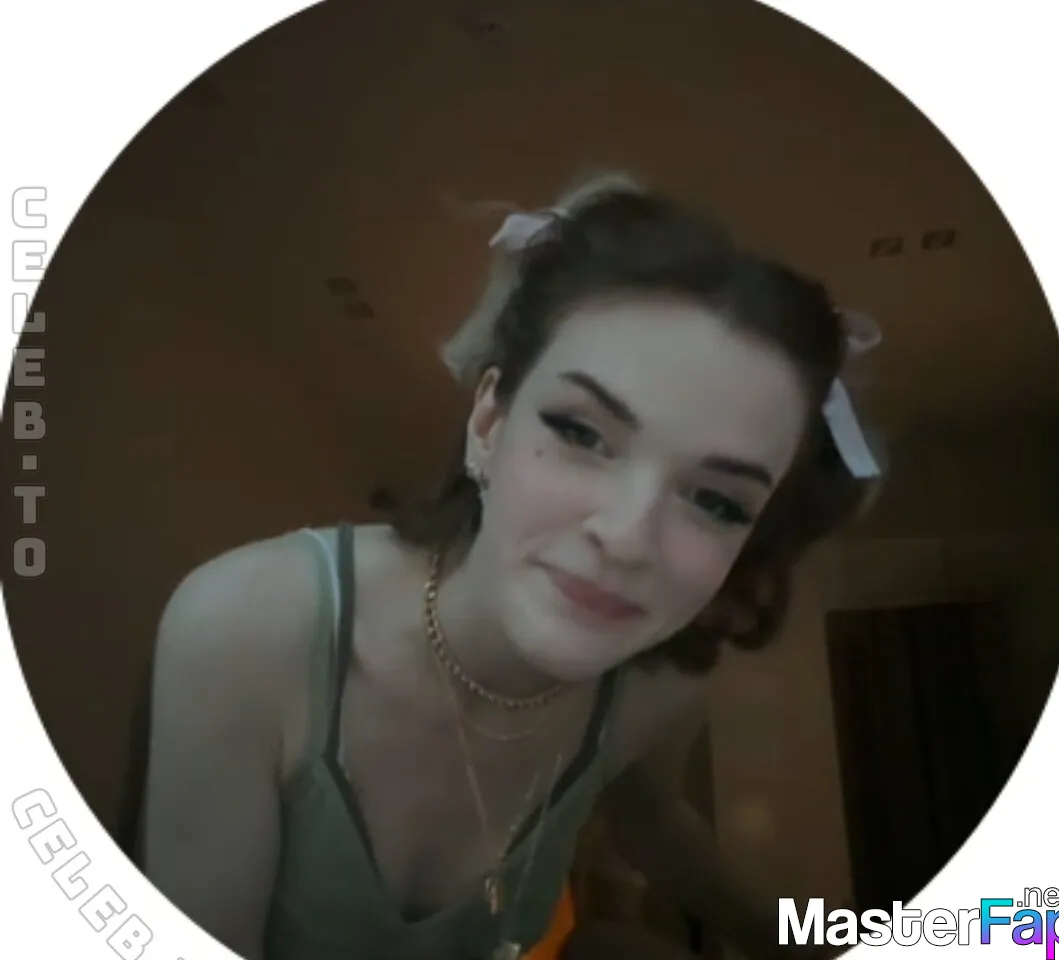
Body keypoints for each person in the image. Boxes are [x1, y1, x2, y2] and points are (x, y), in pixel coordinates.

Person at [136, 170, 882, 960]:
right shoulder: (248, 628)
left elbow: (656, 823)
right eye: (581, 433)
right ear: (488, 425)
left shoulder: (653, 692)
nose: (626, 538)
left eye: (716, 501)